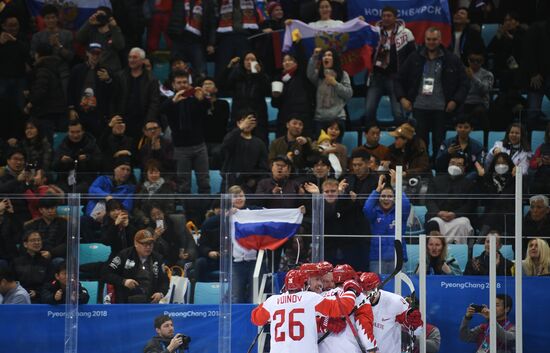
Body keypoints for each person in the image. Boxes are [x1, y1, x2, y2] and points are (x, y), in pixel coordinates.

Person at [395, 27, 470, 158]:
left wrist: (455, 100)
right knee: (420, 143)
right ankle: (423, 171)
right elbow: (399, 79)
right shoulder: (414, 57)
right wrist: (402, 98)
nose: (431, 42)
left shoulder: (451, 59)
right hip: (419, 106)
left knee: (439, 142)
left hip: (441, 108)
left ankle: (439, 171)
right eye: (428, 39)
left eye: (434, 39)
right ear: (424, 40)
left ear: (440, 40)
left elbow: (464, 83)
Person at [250, 269, 362, 353]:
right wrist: (351, 291)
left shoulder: (273, 301)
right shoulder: (310, 298)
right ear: (304, 284)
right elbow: (341, 308)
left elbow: (256, 319)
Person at [160, 71, 210, 194]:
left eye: (185, 82)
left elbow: (207, 113)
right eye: (179, 82)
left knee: (204, 182)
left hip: (199, 145)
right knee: (183, 184)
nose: (182, 85)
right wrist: (173, 101)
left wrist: (202, 100)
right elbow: (161, 110)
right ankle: (186, 212)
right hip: (180, 148)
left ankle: (206, 211)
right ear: (173, 85)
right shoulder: (170, 101)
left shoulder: (196, 98)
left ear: (189, 83)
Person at [365, 6, 415, 125]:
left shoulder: (406, 33)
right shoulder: (374, 32)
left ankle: (400, 140)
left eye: (389, 16)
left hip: (395, 78)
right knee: (369, 110)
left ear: (395, 17)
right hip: (377, 77)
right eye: (384, 16)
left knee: (398, 113)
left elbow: (413, 57)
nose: (386, 18)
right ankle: (373, 135)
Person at [318, 264, 378, 353]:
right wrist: (372, 349)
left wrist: (326, 322)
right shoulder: (359, 297)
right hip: (349, 349)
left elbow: (312, 325)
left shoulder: (321, 297)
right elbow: (364, 329)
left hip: (323, 349)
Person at [359, 272, 423, 353]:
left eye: (366, 291)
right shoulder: (356, 301)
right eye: (362, 292)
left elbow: (418, 331)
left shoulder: (395, 302)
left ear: (376, 288)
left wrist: (415, 323)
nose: (364, 295)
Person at [67, 42, 118, 139]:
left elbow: (113, 94)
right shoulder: (77, 70)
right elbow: (70, 90)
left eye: (97, 54)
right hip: (79, 114)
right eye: (92, 53)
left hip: (97, 116)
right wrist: (71, 109)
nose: (95, 56)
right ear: (87, 53)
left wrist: (108, 80)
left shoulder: (106, 71)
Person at [102, 229, 169, 303]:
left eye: (150, 244)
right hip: (126, 301)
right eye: (144, 244)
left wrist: (161, 293)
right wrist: (124, 281)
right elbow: (106, 274)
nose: (148, 247)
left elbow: (164, 280)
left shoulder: (157, 258)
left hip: (150, 301)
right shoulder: (124, 255)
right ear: (136, 243)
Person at [363, 172, 410, 274]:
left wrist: (396, 186)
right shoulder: (374, 213)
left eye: (390, 196)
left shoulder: (400, 213)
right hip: (377, 258)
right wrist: (377, 190)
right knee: (377, 287)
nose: (386, 199)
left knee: (399, 289)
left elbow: (406, 205)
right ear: (379, 198)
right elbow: (366, 209)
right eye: (383, 196)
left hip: (398, 258)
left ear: (394, 198)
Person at [221, 52, 271, 144]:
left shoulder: (263, 76)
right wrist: (229, 67)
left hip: (258, 119)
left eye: (252, 60)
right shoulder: (236, 75)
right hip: (239, 118)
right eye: (247, 60)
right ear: (243, 62)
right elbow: (223, 85)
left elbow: (268, 90)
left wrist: (260, 74)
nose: (249, 62)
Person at [426, 154, 475, 244]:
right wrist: (438, 212)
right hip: (438, 216)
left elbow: (470, 204)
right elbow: (429, 200)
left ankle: (460, 252)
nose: (455, 166)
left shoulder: (469, 184)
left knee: (463, 224)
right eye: (452, 163)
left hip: (458, 217)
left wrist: (455, 214)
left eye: (459, 164)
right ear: (448, 164)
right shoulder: (436, 180)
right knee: (433, 223)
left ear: (464, 168)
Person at [114, 47, 160, 139]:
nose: (131, 60)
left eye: (135, 57)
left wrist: (149, 121)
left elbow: (154, 102)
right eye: (130, 57)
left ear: (143, 60)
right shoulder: (120, 76)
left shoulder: (151, 79)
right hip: (123, 120)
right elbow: (114, 99)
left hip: (142, 121)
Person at [26, 42, 67, 141]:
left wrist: (30, 102)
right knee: (58, 139)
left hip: (47, 110)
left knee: (48, 139)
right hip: (59, 109)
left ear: (38, 54)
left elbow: (41, 90)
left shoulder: (42, 69)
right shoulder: (57, 66)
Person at [307, 47, 352, 137]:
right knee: (319, 149)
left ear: (334, 59)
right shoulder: (319, 76)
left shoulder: (343, 75)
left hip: (337, 118)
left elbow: (348, 94)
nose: (326, 57)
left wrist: (335, 83)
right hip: (320, 119)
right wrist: (315, 57)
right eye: (324, 56)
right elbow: (310, 74)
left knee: (334, 148)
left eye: (329, 55)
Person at [220, 110, 269, 193]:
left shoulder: (260, 143)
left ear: (255, 124)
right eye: (244, 120)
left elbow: (264, 168)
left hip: (249, 185)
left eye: (251, 121)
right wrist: (240, 128)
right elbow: (225, 147)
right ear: (238, 123)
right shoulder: (232, 138)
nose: (247, 123)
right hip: (230, 181)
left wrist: (254, 180)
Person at [30, 5, 74, 92]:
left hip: (63, 74)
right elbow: (32, 55)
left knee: (64, 102)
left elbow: (71, 57)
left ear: (57, 18)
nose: (50, 20)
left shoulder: (67, 34)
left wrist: (58, 45)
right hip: (43, 74)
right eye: (47, 18)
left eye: (53, 17)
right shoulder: (37, 36)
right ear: (43, 19)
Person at [52, 119, 102, 193]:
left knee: (79, 190)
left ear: (83, 131)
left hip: (86, 179)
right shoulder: (62, 146)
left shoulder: (91, 145)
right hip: (65, 180)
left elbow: (100, 163)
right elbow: (53, 166)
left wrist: (88, 159)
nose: (75, 135)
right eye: (72, 132)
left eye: (78, 132)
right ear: (68, 132)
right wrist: (61, 161)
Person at [477, 152, 517, 240]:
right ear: (494, 164)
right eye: (498, 163)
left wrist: (515, 178)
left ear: (509, 164)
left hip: (509, 214)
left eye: (504, 163)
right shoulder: (488, 178)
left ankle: (479, 240)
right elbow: (486, 198)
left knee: (497, 213)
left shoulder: (514, 179)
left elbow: (509, 197)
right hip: (490, 212)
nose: (501, 165)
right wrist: (482, 177)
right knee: (494, 213)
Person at [76, 7, 125, 72]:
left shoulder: (114, 32)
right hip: (92, 69)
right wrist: (88, 22)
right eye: (97, 15)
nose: (99, 17)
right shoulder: (91, 30)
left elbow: (120, 46)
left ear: (108, 17)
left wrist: (115, 27)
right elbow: (79, 38)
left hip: (111, 70)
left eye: (101, 15)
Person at [487, 12, 525, 94]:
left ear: (517, 22)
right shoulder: (501, 34)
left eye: (510, 20)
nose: (507, 22)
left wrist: (512, 38)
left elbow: (523, 49)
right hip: (501, 66)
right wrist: (498, 35)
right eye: (505, 20)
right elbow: (489, 49)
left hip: (517, 67)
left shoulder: (522, 33)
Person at [522, 19, 550, 128]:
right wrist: (534, 73)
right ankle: (530, 140)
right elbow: (528, 52)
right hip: (536, 75)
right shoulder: (537, 28)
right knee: (533, 113)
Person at [11, 231, 54, 303]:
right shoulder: (16, 262)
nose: (37, 242)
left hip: (41, 296)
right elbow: (13, 281)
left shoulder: (47, 262)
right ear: (25, 244)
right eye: (33, 240)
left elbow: (50, 282)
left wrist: (37, 292)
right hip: (21, 295)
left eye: (38, 240)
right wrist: (24, 291)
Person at [133, 159, 177, 227]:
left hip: (162, 220)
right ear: (146, 174)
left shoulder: (167, 186)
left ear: (160, 173)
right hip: (144, 221)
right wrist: (143, 218)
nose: (154, 175)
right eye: (151, 172)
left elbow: (170, 207)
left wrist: (159, 216)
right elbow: (136, 208)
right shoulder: (140, 188)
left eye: (156, 172)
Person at [463, 51, 493, 131]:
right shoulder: (462, 73)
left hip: (480, 103)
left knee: (479, 111)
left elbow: (485, 90)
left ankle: (485, 136)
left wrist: (473, 77)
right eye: (472, 60)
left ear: (482, 62)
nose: (475, 63)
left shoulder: (487, 74)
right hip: (465, 102)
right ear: (468, 60)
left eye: (478, 61)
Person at [529, 123, 550, 194]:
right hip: (541, 179)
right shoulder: (542, 147)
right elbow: (532, 164)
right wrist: (539, 162)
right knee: (536, 185)